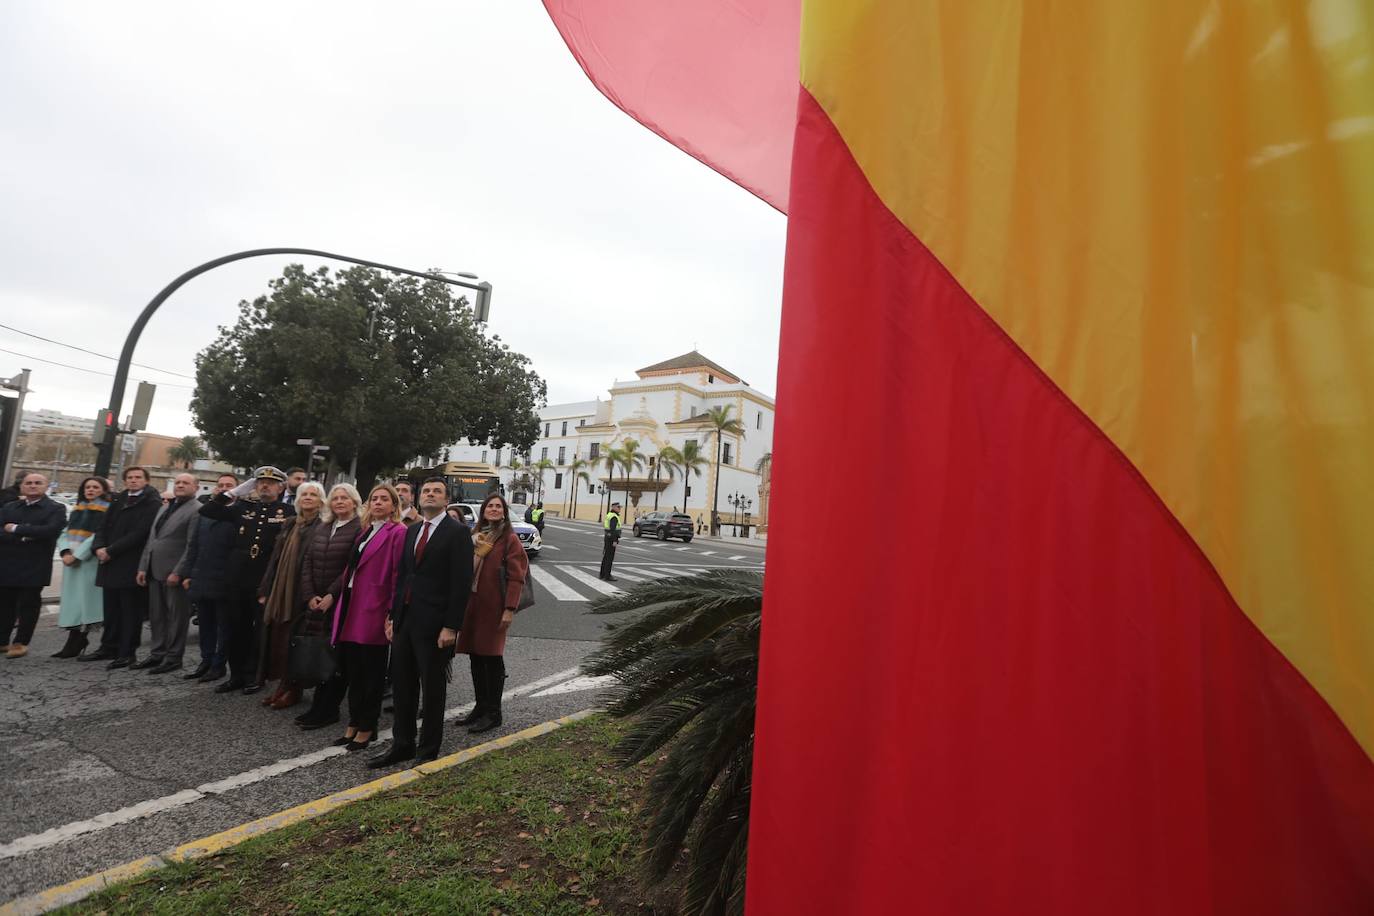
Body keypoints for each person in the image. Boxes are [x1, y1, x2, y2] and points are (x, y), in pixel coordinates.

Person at [369, 478, 474, 768]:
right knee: (403, 686)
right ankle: (402, 744)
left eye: (436, 491)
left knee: (432, 688)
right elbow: (403, 576)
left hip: (436, 623)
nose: (430, 495)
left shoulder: (458, 533)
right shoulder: (413, 530)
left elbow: (461, 583)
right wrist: (393, 615)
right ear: (418, 497)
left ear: (446, 499)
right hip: (405, 619)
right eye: (426, 491)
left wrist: (451, 626)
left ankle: (428, 749)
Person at [319, 483, 406, 752]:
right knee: (353, 670)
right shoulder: (367, 531)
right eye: (374, 498)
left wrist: (392, 612)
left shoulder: (398, 532)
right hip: (352, 606)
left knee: (371, 673)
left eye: (384, 499)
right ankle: (354, 722)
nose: (378, 503)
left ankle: (368, 726)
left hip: (374, 608)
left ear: (393, 505)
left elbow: (397, 575)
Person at [199, 466, 295, 694]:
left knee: (259, 630)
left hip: (263, 579)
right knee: (234, 627)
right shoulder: (242, 507)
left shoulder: (288, 511)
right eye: (260, 482)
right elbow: (207, 510)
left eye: (270, 483)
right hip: (236, 578)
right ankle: (236, 675)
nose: (264, 486)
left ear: (281, 487)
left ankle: (255, 675)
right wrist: (234, 492)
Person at [295, 483, 363, 730]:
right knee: (318, 654)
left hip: (339, 602)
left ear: (354, 502)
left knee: (335, 658)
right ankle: (317, 706)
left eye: (345, 498)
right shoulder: (324, 527)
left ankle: (329, 708)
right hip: (315, 600)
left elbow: (352, 567)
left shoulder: (359, 529)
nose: (340, 502)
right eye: (336, 498)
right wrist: (309, 594)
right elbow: (308, 562)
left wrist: (332, 594)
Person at [457, 493, 527, 734]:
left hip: (494, 607)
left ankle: (493, 713)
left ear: (504, 512)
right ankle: (480, 706)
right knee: (475, 656)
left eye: (498, 506)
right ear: (483, 510)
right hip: (472, 603)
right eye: (490, 506)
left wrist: (509, 609)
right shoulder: (475, 536)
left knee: (492, 657)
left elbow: (516, 576)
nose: (494, 510)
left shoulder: (509, 539)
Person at [254, 481, 326, 708]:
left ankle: (294, 688)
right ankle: (282, 685)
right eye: (304, 494)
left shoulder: (323, 526)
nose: (307, 498)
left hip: (302, 591)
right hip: (281, 591)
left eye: (313, 495)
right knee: (278, 639)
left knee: (295, 640)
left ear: (321, 501)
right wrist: (265, 589)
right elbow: (275, 560)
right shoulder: (290, 524)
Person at [81, 466, 158, 667]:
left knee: (130, 612)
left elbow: (140, 533)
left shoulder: (152, 502)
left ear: (146, 480)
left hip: (129, 563)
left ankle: (127, 652)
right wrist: (98, 547)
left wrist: (111, 550)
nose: (133, 480)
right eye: (130, 477)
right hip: (109, 563)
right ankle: (108, 647)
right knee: (111, 610)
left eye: (138, 477)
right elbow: (103, 526)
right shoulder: (119, 499)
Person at [134, 473, 202, 673]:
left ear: (196, 487)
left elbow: (192, 545)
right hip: (154, 570)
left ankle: (173, 657)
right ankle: (157, 654)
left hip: (174, 574)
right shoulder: (165, 507)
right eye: (178, 482)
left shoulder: (197, 510)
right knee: (157, 616)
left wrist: (179, 572)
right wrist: (142, 567)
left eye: (185, 483)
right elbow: (152, 539)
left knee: (176, 617)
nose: (180, 485)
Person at [176, 472, 239, 681]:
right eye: (220, 485)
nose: (223, 488)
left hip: (224, 580)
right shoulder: (205, 513)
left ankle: (218, 665)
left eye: (229, 485)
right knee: (205, 624)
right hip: (201, 577)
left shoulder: (239, 514)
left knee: (223, 626)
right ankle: (206, 660)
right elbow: (194, 545)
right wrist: (187, 573)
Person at [0, 473, 67, 658]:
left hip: (35, 564)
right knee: (5, 604)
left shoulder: (56, 508)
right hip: (7, 563)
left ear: (46, 487)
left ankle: (21, 642)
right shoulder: (9, 507)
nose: (32, 486)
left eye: (38, 483)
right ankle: (2, 640)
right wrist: (28, 536)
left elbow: (50, 531)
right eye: (28, 483)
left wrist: (15, 529)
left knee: (28, 605)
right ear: (21, 486)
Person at [52, 477, 111, 658]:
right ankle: (74, 641)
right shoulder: (78, 508)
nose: (90, 490)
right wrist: (65, 552)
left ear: (103, 490)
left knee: (87, 604)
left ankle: (78, 641)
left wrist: (77, 555)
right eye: (87, 487)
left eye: (95, 487)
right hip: (72, 562)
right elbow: (64, 533)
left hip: (89, 562)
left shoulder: (107, 510)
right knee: (74, 603)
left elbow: (98, 536)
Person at [599, 501, 622, 582]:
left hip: (607, 538)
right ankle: (607, 575)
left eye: (620, 507)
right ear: (614, 507)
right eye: (618, 507)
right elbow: (613, 530)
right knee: (609, 558)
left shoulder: (609, 515)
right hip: (611, 539)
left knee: (606, 557)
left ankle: (602, 574)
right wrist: (615, 540)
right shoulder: (614, 517)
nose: (620, 509)